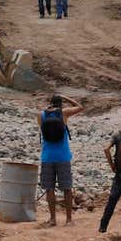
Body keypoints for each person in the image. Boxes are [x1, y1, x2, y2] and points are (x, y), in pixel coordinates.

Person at [39, 94, 83, 226]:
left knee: (49, 189)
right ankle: (69, 220)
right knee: (67, 188)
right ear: (61, 104)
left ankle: (53, 219)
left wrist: (48, 109)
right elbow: (80, 107)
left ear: (50, 103)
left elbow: (42, 129)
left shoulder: (41, 115)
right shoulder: (64, 113)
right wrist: (66, 97)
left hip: (47, 157)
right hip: (63, 156)